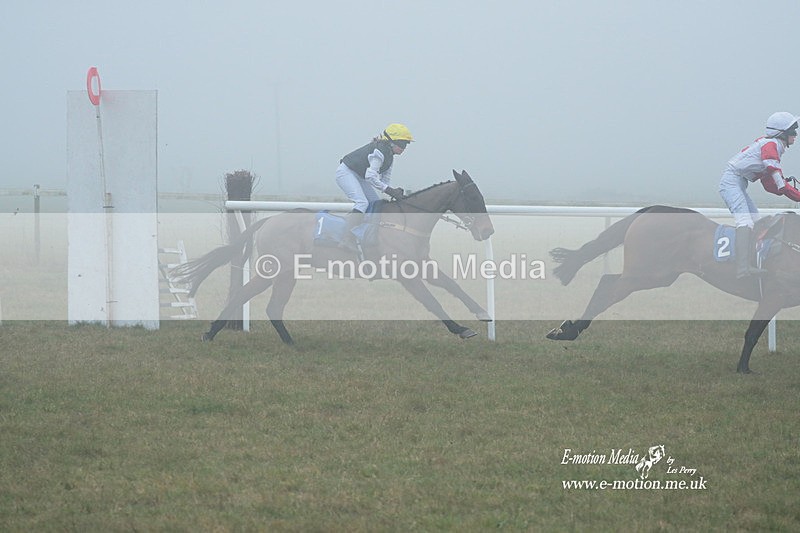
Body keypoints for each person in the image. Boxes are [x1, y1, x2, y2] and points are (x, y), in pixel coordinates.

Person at [719, 112, 800, 277]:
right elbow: (779, 185)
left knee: (756, 220)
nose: (796, 135)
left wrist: (790, 190)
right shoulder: (771, 146)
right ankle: (742, 269)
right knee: (745, 221)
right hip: (731, 182)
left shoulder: (774, 146)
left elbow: (771, 186)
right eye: (792, 131)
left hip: (739, 182)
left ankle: (752, 262)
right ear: (782, 134)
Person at [335, 123, 414, 251]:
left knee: (376, 203)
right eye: (402, 144)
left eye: (406, 145)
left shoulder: (390, 157)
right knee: (362, 203)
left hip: (359, 176)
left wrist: (393, 192)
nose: (403, 148)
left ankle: (366, 234)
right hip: (346, 172)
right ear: (391, 142)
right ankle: (346, 238)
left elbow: (384, 181)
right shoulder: (379, 152)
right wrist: (389, 190)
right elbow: (370, 177)